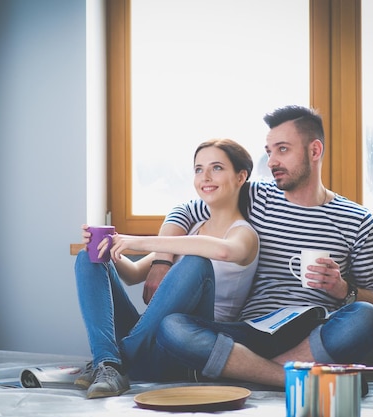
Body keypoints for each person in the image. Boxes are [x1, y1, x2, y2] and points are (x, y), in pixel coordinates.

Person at [149, 105, 373, 388]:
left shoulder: (357, 220)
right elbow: (185, 211)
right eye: (269, 151)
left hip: (312, 333)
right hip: (248, 332)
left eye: (283, 150)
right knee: (172, 327)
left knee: (367, 318)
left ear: (314, 151)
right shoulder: (255, 196)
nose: (272, 161)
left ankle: (244, 371)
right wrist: (161, 262)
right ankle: (292, 377)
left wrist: (342, 289)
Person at [74, 138, 260, 398]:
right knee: (88, 259)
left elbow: (222, 250)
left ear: (241, 176)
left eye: (216, 168)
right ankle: (110, 363)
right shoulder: (194, 230)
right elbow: (134, 274)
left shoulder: (244, 234)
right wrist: (108, 250)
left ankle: (112, 359)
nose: (205, 176)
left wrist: (135, 240)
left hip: (182, 344)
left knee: (196, 261)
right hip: (148, 340)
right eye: (198, 169)